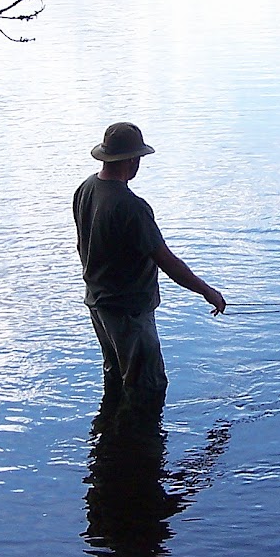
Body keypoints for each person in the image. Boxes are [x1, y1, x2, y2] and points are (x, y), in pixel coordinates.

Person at [73, 121, 225, 413]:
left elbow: (83, 245)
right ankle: (143, 453)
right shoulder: (131, 207)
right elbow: (166, 260)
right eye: (139, 158)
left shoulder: (86, 189)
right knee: (147, 387)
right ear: (131, 160)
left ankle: (109, 447)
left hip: (98, 305)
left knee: (116, 379)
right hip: (129, 313)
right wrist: (208, 291)